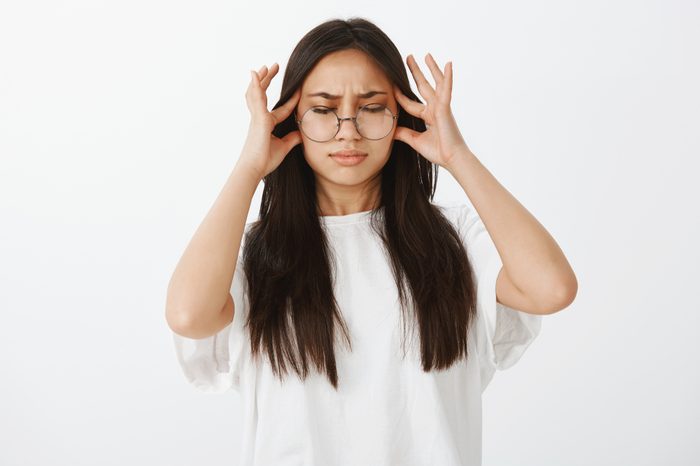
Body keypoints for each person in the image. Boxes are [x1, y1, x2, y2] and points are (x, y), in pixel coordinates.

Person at [165, 16, 577, 466]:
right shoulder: (251, 254)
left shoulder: (455, 239)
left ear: (402, 113)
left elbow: (551, 289)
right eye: (323, 109)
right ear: (290, 121)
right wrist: (248, 167)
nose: (348, 130)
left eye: (371, 107)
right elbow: (189, 315)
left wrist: (457, 156)